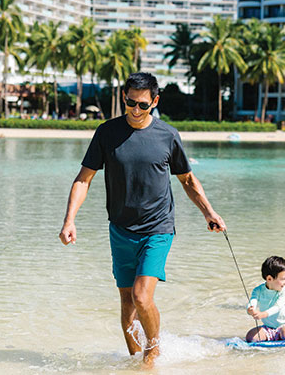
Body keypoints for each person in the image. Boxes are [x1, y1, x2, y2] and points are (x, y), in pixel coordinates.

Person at [58, 72, 226, 368]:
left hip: (157, 229)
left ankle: (152, 355)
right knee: (127, 303)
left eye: (143, 105)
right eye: (130, 103)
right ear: (124, 98)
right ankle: (135, 361)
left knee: (140, 296)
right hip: (120, 229)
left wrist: (208, 212)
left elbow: (187, 179)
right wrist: (69, 219)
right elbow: (84, 179)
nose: (136, 110)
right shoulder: (107, 132)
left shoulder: (167, 135)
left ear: (155, 101)